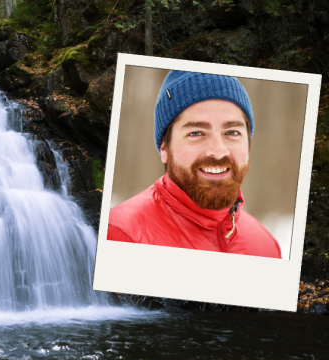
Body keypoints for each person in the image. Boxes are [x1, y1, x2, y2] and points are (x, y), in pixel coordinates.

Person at [107, 71, 281, 259]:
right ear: (165, 148)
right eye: (196, 133)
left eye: (232, 132)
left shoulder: (267, 247)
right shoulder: (121, 236)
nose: (219, 151)